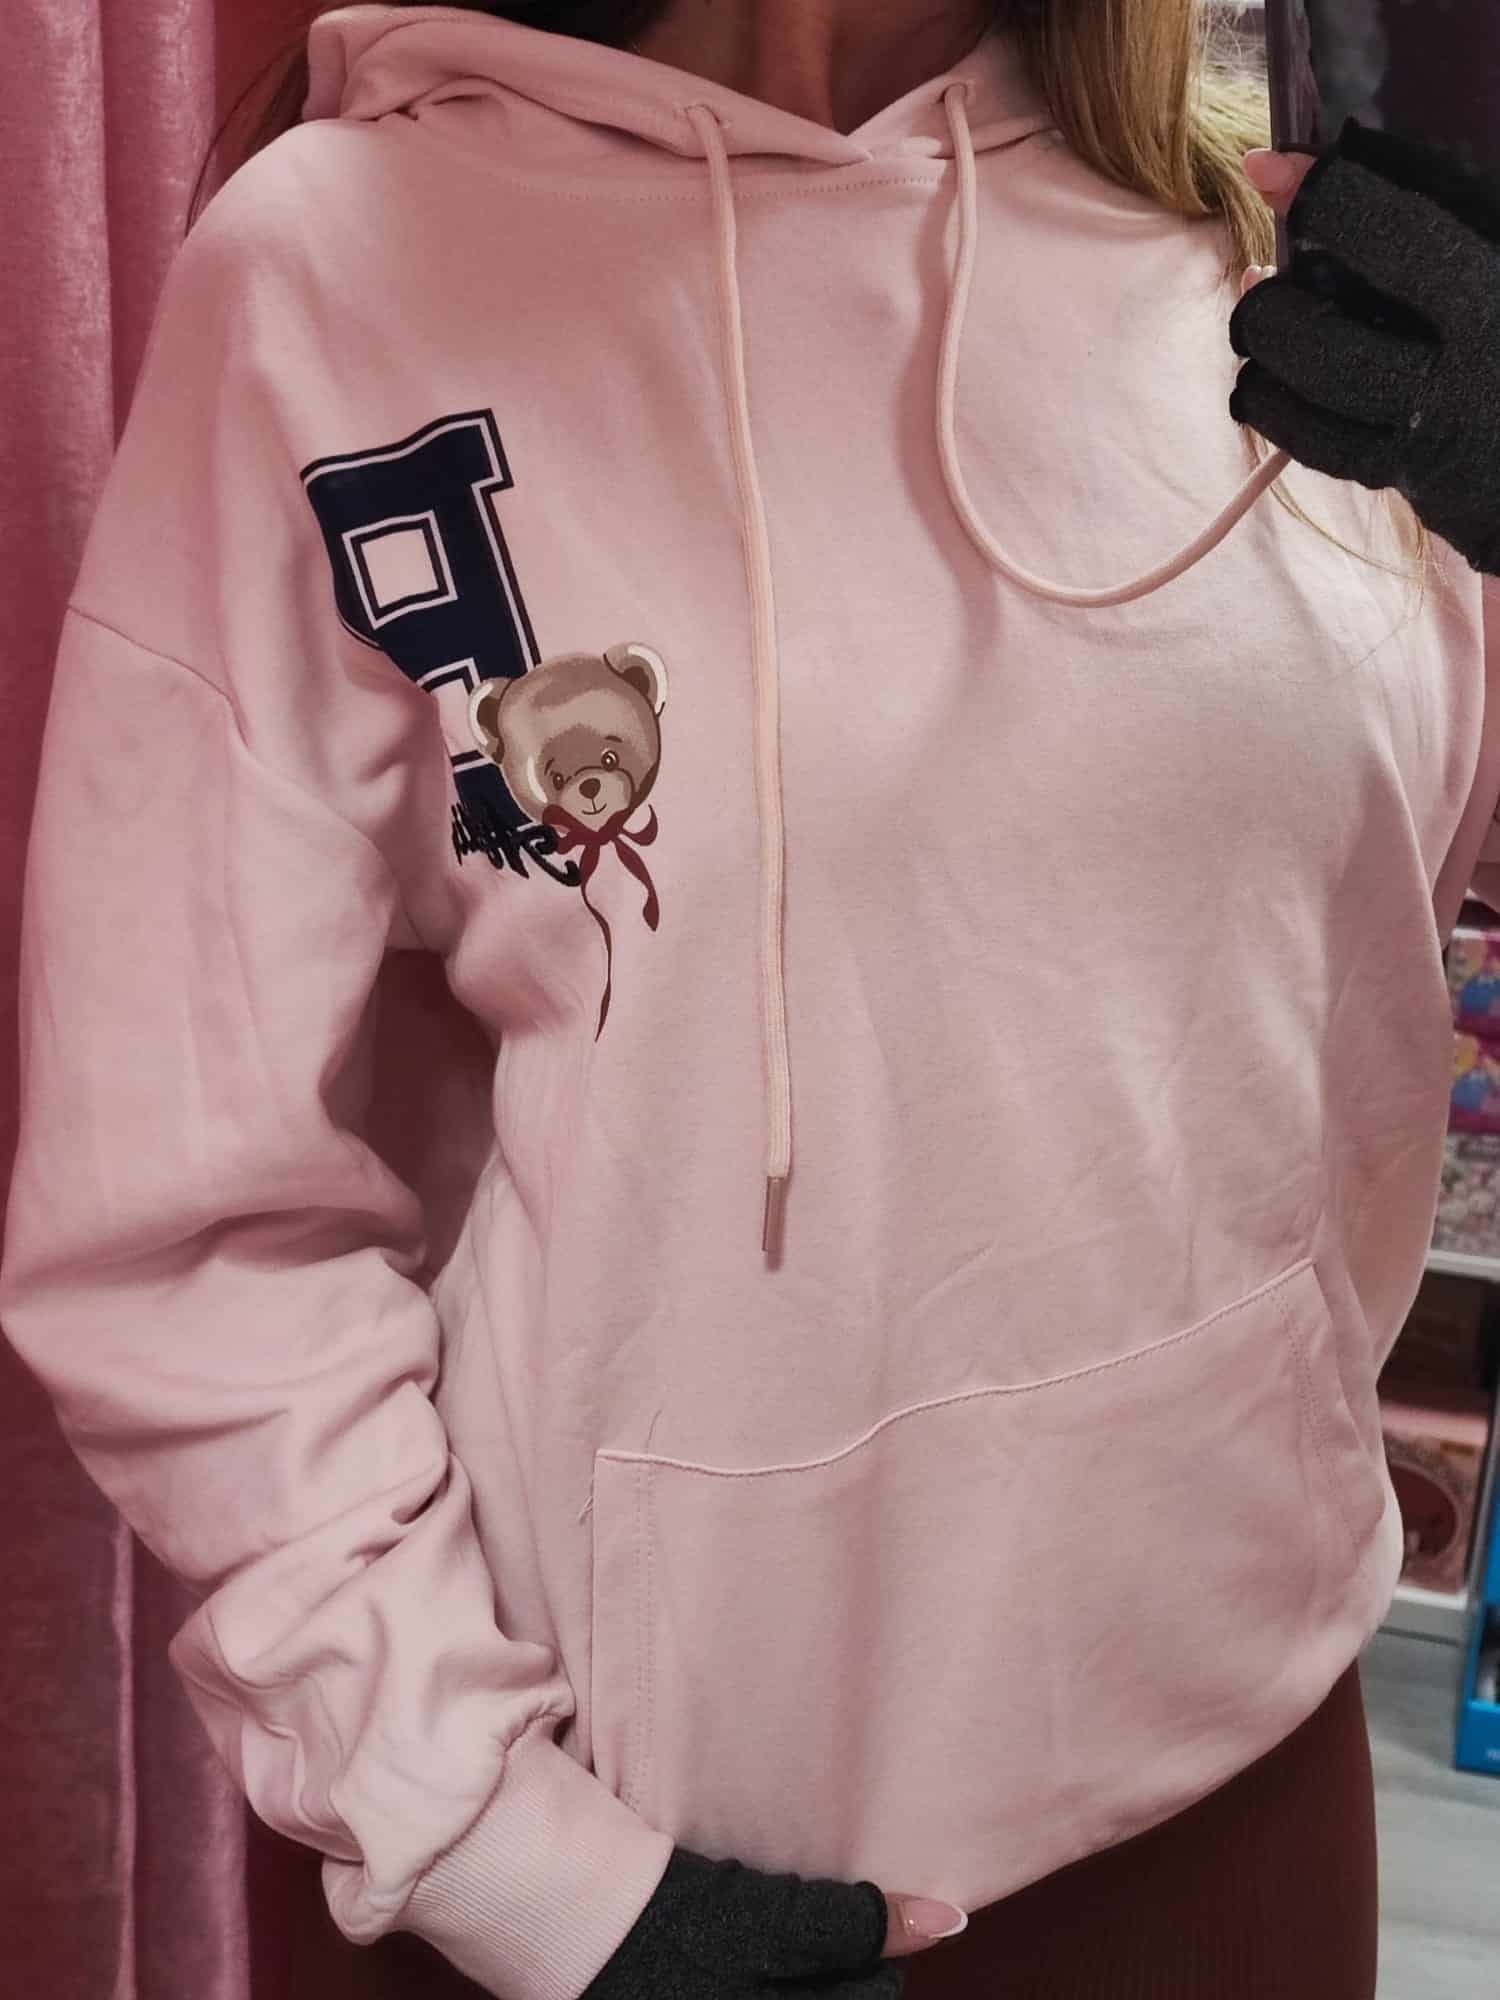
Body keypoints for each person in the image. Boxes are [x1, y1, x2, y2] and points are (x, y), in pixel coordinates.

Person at [4, 2, 1499, 1996]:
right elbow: (182, 1219)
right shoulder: (343, 270)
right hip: (645, 1852)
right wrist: (501, 1850)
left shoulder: (1270, 261)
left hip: (1247, 1771)